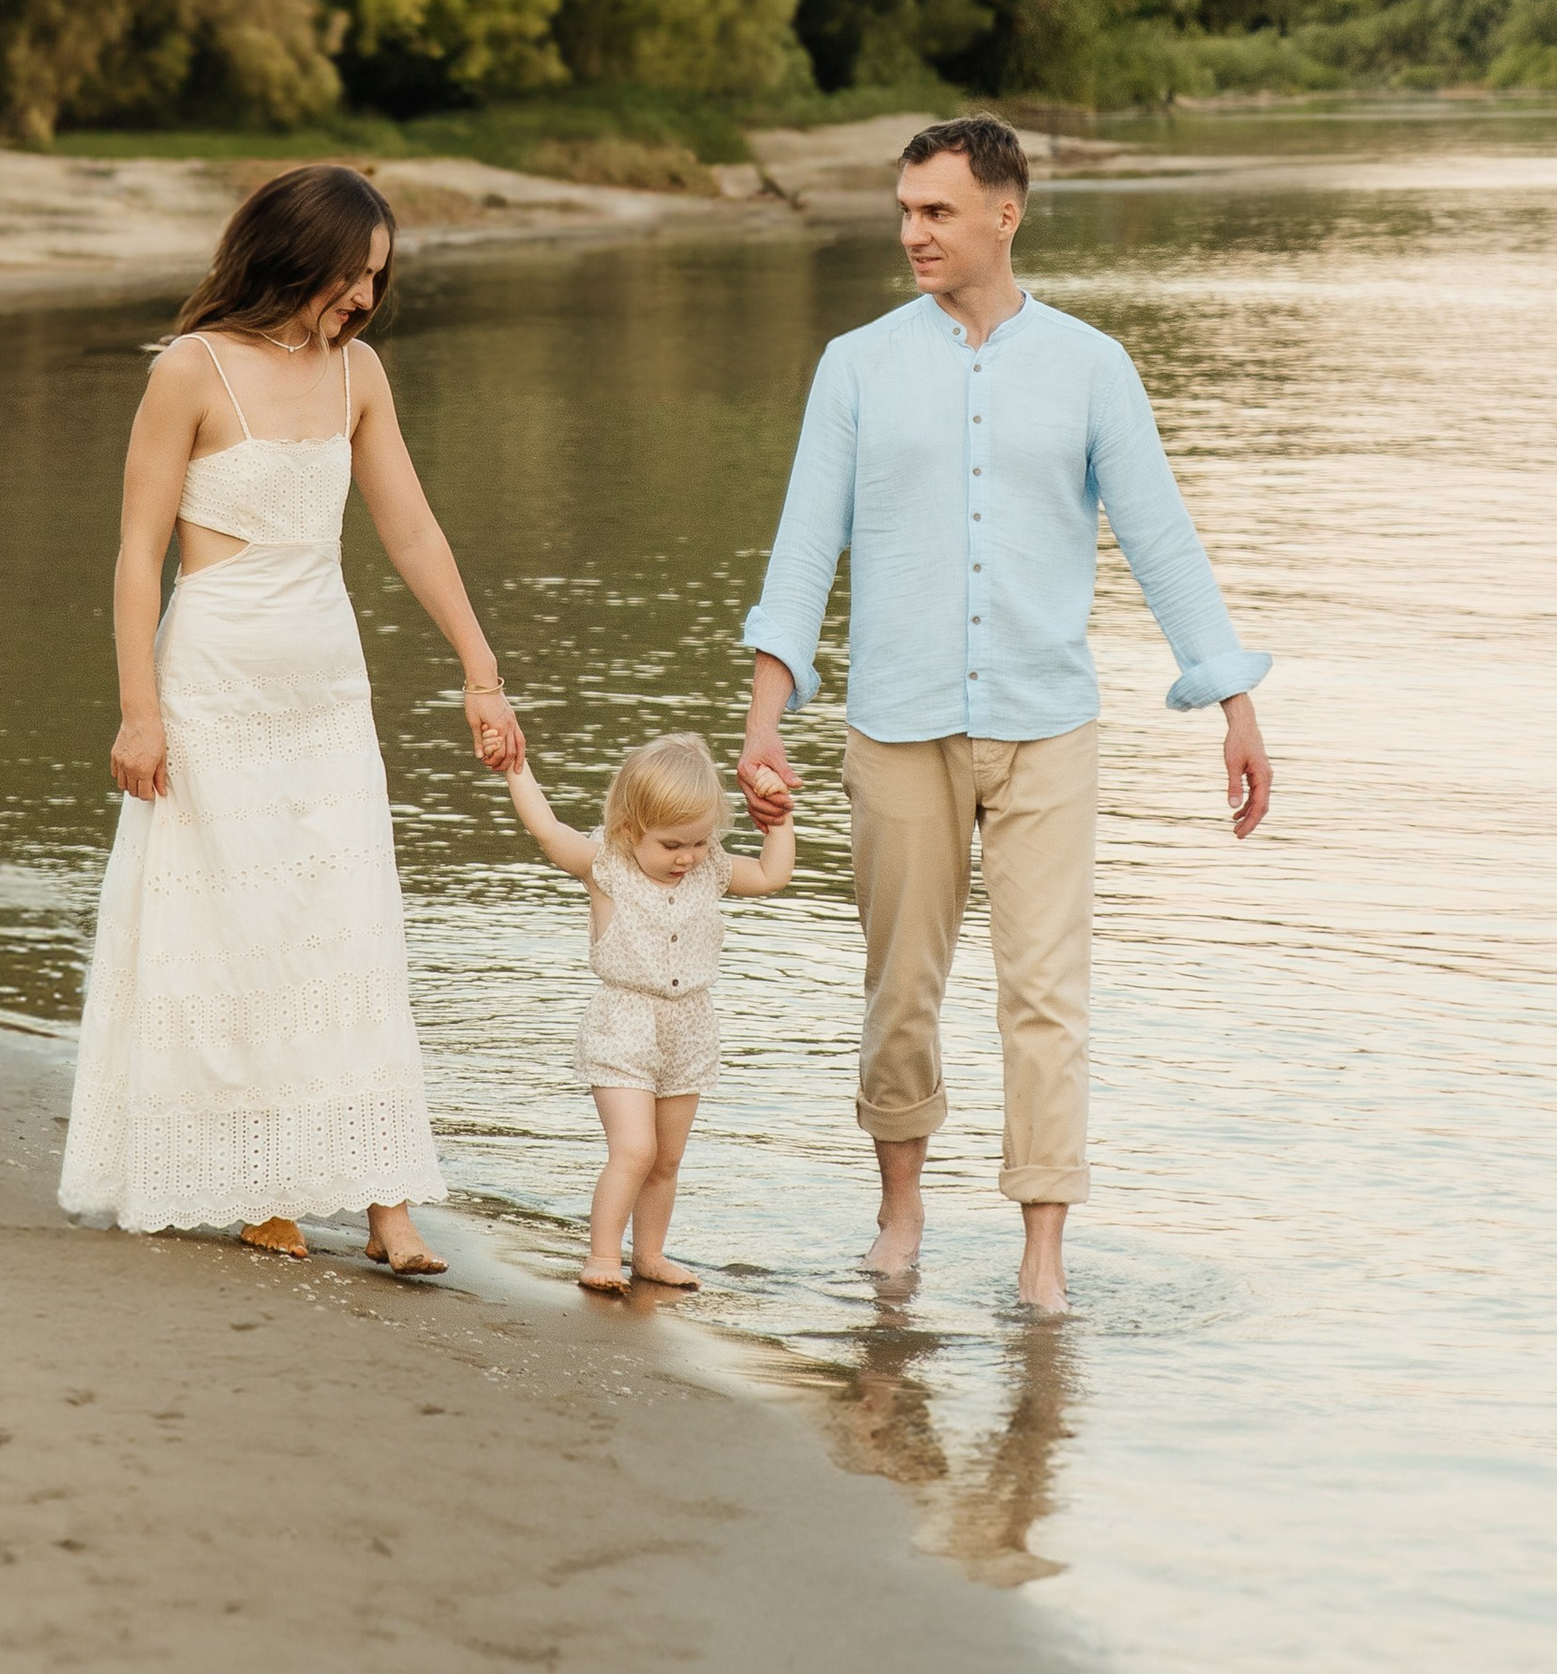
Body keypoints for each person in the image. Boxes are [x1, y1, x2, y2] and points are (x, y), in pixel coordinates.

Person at [734, 113, 1270, 1315]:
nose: (912, 231)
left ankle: (1042, 1256)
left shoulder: (1091, 366)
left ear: (1004, 213)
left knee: (1045, 999)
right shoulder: (856, 365)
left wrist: (1231, 700)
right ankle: (900, 1214)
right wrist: (765, 718)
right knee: (899, 992)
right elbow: (803, 547)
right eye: (904, 210)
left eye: (936, 210)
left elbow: (1161, 538)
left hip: (1047, 727)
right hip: (896, 726)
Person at [58, 163, 524, 1269]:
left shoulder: (359, 372)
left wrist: (481, 668)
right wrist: (137, 711)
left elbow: (411, 528)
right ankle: (257, 1183)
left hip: (326, 691)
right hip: (213, 686)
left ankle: (386, 1198)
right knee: (237, 933)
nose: (363, 297)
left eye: (377, 278)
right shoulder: (190, 368)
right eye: (350, 274)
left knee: (349, 927)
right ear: (293, 254)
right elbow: (136, 555)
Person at [500, 730, 795, 1296]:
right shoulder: (605, 867)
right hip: (623, 1026)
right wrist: (517, 767)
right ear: (629, 829)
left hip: (690, 1029)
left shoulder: (710, 869)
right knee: (634, 1151)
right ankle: (602, 1256)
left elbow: (771, 875)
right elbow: (548, 829)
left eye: (699, 841)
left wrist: (779, 819)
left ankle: (651, 1255)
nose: (687, 857)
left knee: (666, 1159)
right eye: (671, 844)